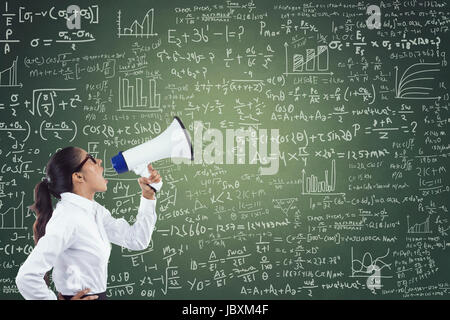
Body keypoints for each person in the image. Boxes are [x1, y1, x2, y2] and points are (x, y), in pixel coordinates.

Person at [15, 146, 161, 300]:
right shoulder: (67, 217)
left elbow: (136, 240)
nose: (99, 161)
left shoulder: (94, 211)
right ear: (78, 176)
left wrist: (148, 195)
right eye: (91, 159)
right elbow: (26, 277)